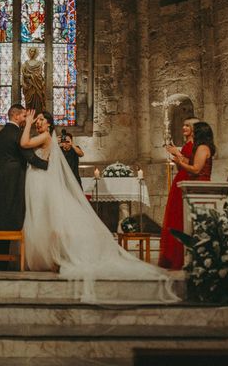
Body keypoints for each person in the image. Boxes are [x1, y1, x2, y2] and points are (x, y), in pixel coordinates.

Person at [20, 109, 179, 303]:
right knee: (49, 219)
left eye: (41, 120)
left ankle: (58, 256)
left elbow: (25, 143)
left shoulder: (45, 136)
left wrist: (27, 123)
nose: (38, 123)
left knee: (54, 219)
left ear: (49, 125)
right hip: (41, 183)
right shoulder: (46, 137)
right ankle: (53, 257)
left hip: (43, 183)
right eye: (37, 121)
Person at [0, 104, 49, 271]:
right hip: (13, 180)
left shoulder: (0, 134)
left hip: (0, 179)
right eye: (24, 116)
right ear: (15, 116)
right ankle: (4, 261)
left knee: (0, 217)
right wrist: (51, 166)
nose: (26, 119)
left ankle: (0, 260)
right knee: (10, 217)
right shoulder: (17, 134)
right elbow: (30, 157)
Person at [158, 117, 200, 270]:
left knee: (181, 216)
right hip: (180, 179)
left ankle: (180, 256)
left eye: (187, 126)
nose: (183, 128)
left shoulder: (195, 144)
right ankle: (174, 255)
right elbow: (184, 163)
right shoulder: (188, 144)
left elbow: (192, 164)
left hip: (187, 180)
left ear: (194, 129)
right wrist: (177, 157)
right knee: (176, 216)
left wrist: (177, 153)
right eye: (183, 124)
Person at [21, 47, 46, 112]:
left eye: (33, 51)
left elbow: (39, 74)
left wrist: (30, 75)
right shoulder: (25, 64)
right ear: (29, 52)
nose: (32, 53)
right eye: (31, 51)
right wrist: (25, 81)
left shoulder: (39, 63)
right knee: (29, 104)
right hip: (29, 87)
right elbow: (23, 75)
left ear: (35, 53)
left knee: (38, 102)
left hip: (37, 86)